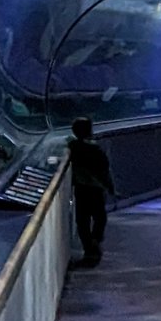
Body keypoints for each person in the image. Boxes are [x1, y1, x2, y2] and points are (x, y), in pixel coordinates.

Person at [67, 114, 113, 266]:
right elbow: (105, 171)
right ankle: (95, 242)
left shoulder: (73, 147)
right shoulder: (96, 150)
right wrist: (110, 187)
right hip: (96, 189)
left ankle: (89, 248)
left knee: (83, 220)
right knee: (100, 217)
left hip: (81, 188)